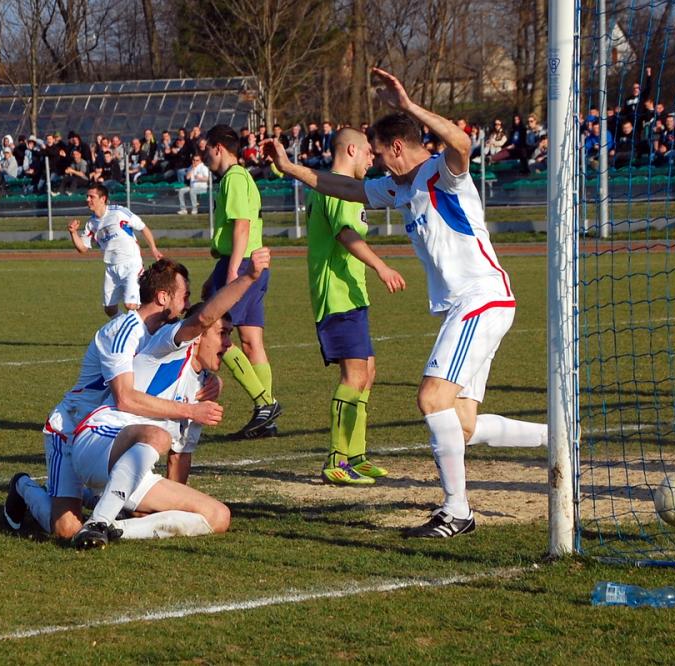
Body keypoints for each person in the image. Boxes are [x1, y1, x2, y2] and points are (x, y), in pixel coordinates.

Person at [266, 69, 547, 539]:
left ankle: (457, 511)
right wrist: (291, 168)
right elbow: (348, 189)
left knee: (430, 398)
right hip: (472, 305)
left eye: (377, 152)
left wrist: (411, 105)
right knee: (463, 422)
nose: (374, 161)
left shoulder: (442, 172)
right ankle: (558, 440)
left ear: (397, 147)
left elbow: (461, 142)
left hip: (481, 299)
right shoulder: (398, 187)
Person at [3, 258, 225, 541]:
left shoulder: (160, 334)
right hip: (71, 428)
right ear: (163, 297)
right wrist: (190, 410)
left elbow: (196, 353)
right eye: (185, 297)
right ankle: (24, 487)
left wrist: (213, 379)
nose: (186, 305)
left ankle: (97, 505)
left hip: (109, 434)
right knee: (66, 531)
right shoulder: (123, 330)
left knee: (135, 507)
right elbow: (126, 399)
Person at [65, 248, 272, 549]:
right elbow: (204, 316)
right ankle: (97, 521)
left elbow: (180, 455)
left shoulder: (202, 390)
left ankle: (116, 527)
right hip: (97, 439)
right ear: (200, 336)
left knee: (218, 516)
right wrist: (249, 277)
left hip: (132, 464)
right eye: (223, 334)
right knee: (157, 435)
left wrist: (173, 505)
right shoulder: (170, 345)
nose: (229, 344)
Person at [305, 128, 407, 485]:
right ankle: (336, 459)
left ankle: (356, 454)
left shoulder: (343, 189)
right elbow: (344, 235)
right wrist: (381, 266)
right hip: (336, 296)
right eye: (367, 153)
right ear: (351, 149)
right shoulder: (334, 186)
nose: (371, 160)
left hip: (352, 296)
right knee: (354, 377)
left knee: (368, 372)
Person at [202, 124, 281, 439]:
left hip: (244, 263)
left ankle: (265, 403)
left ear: (218, 147)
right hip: (251, 263)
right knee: (251, 341)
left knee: (217, 331)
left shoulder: (233, 178)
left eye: (206, 148)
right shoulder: (241, 177)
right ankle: (267, 419)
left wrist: (233, 270)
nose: (204, 154)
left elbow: (242, 226)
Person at [67, 184, 163, 318]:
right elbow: (82, 248)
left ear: (103, 199)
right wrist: (73, 233)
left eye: (91, 197)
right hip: (111, 268)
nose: (88, 199)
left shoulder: (119, 212)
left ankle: (150, 326)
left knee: (131, 305)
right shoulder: (91, 224)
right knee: (110, 309)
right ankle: (127, 326)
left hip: (131, 264)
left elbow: (143, 227)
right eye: (87, 196)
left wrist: (153, 248)